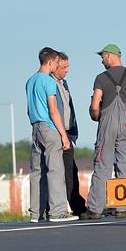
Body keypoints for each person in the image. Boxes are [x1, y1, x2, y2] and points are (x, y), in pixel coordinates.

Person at [81, 44, 126, 220]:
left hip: (108, 123)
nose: (101, 60)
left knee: (102, 164)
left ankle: (95, 209)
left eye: (103, 57)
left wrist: (95, 115)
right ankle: (122, 207)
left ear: (110, 56)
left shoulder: (101, 78)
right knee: (125, 164)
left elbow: (95, 104)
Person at [25, 47, 78, 223]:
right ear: (49, 62)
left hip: (35, 127)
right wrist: (63, 134)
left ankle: (35, 213)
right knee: (55, 170)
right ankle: (57, 212)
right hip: (49, 128)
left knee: (37, 171)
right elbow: (53, 110)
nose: (57, 66)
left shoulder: (30, 81)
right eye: (56, 63)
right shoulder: (49, 82)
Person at [49, 52, 87, 216]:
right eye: (63, 67)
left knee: (71, 170)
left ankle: (76, 205)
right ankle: (76, 207)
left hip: (67, 132)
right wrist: (63, 133)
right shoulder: (50, 83)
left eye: (67, 67)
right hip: (58, 132)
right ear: (54, 66)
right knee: (64, 172)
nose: (67, 70)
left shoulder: (63, 83)